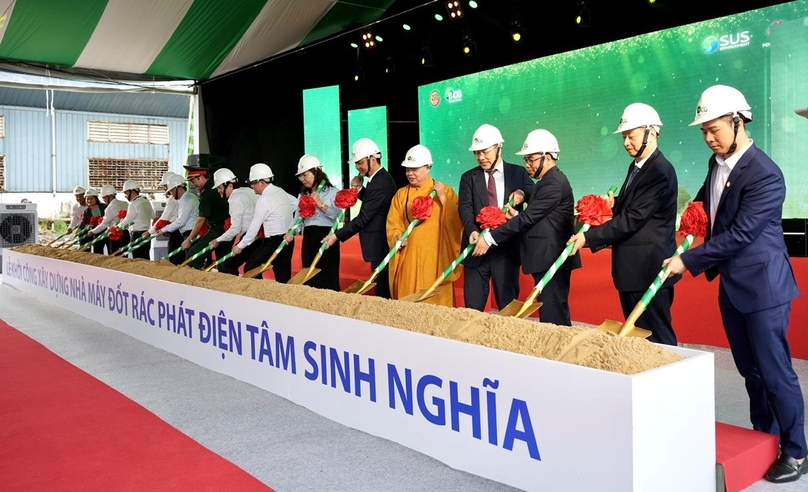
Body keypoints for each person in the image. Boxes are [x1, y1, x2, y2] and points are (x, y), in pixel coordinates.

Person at [663, 85, 807, 483]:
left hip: (765, 289)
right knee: (750, 371)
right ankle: (765, 438)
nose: (709, 137)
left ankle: (796, 451)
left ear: (738, 121)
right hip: (733, 286)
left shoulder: (765, 173)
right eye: (704, 131)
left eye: (715, 129)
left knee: (775, 372)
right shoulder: (716, 164)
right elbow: (717, 215)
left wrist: (687, 260)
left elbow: (741, 234)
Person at [568, 103, 679, 345]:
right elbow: (633, 207)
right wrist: (613, 203)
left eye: (632, 135)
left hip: (650, 270)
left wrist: (588, 237)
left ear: (651, 132)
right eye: (624, 137)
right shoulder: (638, 166)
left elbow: (633, 219)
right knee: (638, 338)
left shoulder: (659, 171)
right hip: (633, 270)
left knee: (657, 338)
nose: (627, 142)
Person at [474, 129, 581, 325]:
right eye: (526, 160)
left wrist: (490, 238)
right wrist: (515, 214)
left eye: (531, 160)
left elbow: (529, 218)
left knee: (553, 318)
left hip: (552, 258)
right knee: (550, 315)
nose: (528, 165)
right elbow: (539, 217)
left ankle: (555, 354)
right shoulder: (546, 182)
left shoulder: (553, 183)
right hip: (546, 258)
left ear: (547, 157)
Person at [459, 124, 534, 312]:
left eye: (484, 151)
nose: (480, 157)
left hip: (506, 250)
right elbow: (465, 208)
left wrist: (522, 192)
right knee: (472, 308)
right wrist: (472, 230)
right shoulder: (468, 177)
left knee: (508, 308)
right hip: (477, 250)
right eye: (476, 153)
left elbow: (535, 195)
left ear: (499, 147)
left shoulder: (518, 173)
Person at [386, 144, 463, 306]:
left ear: (428, 167)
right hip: (410, 258)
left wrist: (443, 199)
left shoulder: (445, 190)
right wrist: (397, 236)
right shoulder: (401, 194)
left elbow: (458, 223)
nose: (410, 174)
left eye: (414, 169)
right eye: (407, 170)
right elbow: (393, 224)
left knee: (437, 307)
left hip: (437, 259)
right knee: (408, 304)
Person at [323, 138, 397, 298]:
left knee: (382, 291)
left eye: (360, 162)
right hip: (380, 244)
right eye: (356, 163)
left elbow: (364, 218)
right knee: (381, 286)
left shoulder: (379, 183)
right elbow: (375, 205)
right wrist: (361, 189)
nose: (358, 167)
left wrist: (336, 235)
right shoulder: (379, 179)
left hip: (381, 244)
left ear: (372, 159)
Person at [287, 155, 341, 291]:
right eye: (301, 177)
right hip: (309, 237)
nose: (303, 179)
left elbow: (337, 216)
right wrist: (291, 231)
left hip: (327, 236)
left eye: (306, 175)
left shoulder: (333, 192)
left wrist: (320, 203)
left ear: (316, 173)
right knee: (309, 273)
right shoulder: (303, 195)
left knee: (327, 275)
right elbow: (297, 218)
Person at [234, 163, 294, 281]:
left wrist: (240, 246)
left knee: (250, 268)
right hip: (287, 240)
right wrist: (291, 228)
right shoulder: (280, 191)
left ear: (262, 182)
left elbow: (253, 229)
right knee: (283, 276)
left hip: (273, 242)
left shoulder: (263, 200)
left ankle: (258, 296)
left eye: (253, 183)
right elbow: (297, 205)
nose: (252, 187)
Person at [208, 167, 258, 275]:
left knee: (229, 265)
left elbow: (235, 229)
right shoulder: (246, 191)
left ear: (229, 185)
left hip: (251, 236)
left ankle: (233, 290)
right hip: (258, 235)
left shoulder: (235, 199)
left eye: (220, 187)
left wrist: (218, 240)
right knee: (253, 267)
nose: (219, 191)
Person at [183, 164, 231, 269]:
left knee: (193, 256)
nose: (193, 184)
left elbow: (201, 219)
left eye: (193, 180)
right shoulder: (211, 188)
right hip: (223, 227)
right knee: (224, 262)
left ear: (200, 177)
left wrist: (189, 239)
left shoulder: (208, 192)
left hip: (219, 228)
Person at [145, 175, 199, 265]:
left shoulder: (187, 200)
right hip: (187, 233)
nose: (171, 194)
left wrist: (163, 230)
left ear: (178, 188)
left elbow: (180, 221)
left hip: (190, 233)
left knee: (188, 263)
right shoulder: (186, 198)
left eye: (171, 191)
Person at [119, 179, 155, 260]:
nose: (125, 196)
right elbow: (153, 215)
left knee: (138, 260)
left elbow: (127, 220)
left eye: (126, 193)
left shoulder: (133, 204)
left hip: (137, 236)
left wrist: (117, 227)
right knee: (146, 259)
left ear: (133, 192)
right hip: (147, 234)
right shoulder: (147, 202)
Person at [147, 171, 181, 255]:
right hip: (181, 231)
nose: (164, 188)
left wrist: (150, 232)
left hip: (176, 232)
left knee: (174, 257)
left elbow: (164, 217)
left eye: (165, 186)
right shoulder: (180, 198)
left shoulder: (172, 199)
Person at [89, 184, 128, 255]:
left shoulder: (110, 208)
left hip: (115, 236)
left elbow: (104, 224)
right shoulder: (125, 203)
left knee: (114, 258)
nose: (104, 200)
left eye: (104, 198)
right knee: (124, 258)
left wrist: (93, 231)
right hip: (126, 234)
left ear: (109, 196)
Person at [77, 187, 107, 254]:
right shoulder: (86, 211)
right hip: (94, 231)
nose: (89, 201)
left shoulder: (104, 207)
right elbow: (83, 223)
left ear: (96, 198)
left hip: (105, 230)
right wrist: (77, 232)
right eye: (87, 199)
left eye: (91, 198)